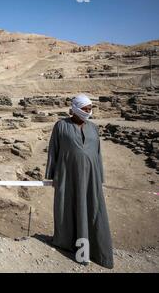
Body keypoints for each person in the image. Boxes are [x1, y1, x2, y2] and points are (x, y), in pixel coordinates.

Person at [45, 94, 114, 269]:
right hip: (68, 177)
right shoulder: (61, 126)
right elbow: (54, 150)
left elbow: (97, 154)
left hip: (91, 178)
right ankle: (67, 244)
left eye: (90, 109)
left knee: (93, 211)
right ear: (75, 109)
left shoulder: (93, 128)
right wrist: (52, 175)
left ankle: (97, 252)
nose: (88, 112)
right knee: (67, 209)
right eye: (85, 109)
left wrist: (100, 176)